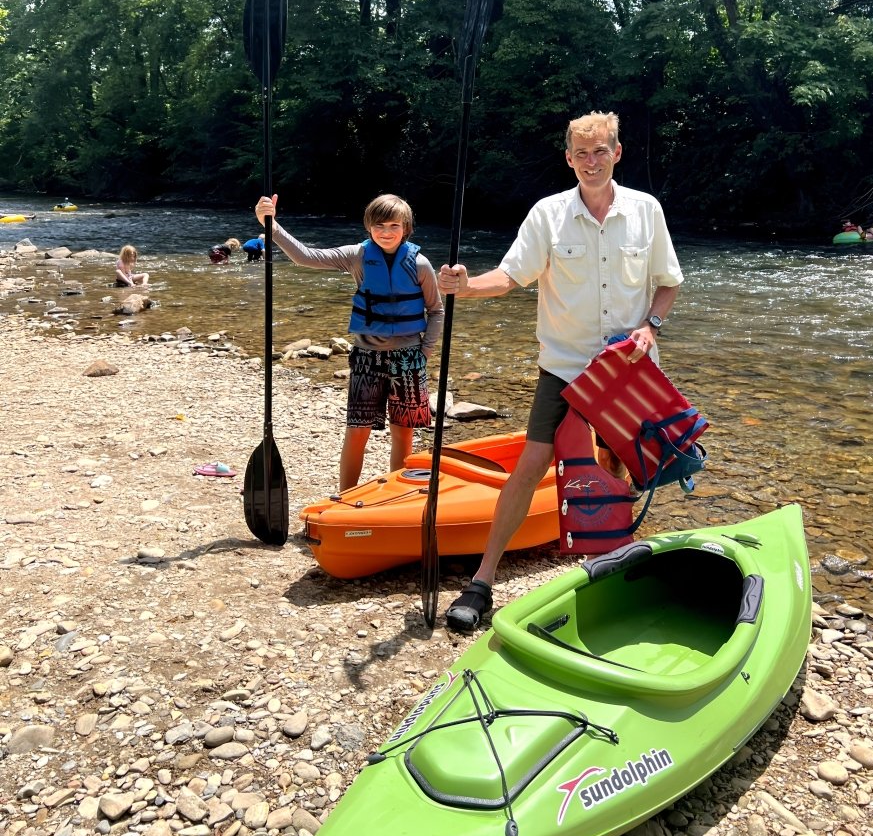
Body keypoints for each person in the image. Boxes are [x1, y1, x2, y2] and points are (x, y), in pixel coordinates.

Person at [437, 110, 683, 632]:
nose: (590, 162)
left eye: (600, 152)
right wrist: (464, 285)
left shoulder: (647, 210)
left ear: (617, 153)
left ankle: (614, 564)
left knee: (626, 461)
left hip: (629, 367)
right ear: (569, 158)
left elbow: (667, 281)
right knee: (530, 465)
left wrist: (651, 327)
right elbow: (509, 277)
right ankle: (482, 581)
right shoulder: (548, 214)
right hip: (566, 367)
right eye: (581, 154)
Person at [254, 192, 444, 490]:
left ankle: (395, 496)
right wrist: (272, 227)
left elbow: (436, 310)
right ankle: (345, 496)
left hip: (409, 358)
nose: (386, 232)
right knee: (357, 431)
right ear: (369, 227)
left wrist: (426, 352)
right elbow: (306, 256)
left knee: (403, 433)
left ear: (406, 228)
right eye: (379, 226)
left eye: (394, 226)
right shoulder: (357, 255)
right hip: (366, 357)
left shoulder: (420, 264)